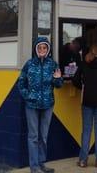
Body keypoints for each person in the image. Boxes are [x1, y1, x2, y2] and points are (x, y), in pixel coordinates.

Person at [18, 37, 63, 173]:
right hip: (32, 106)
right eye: (39, 48)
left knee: (43, 136)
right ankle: (34, 167)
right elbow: (21, 83)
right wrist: (28, 96)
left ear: (48, 49)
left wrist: (57, 79)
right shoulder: (29, 64)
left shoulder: (52, 65)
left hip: (48, 105)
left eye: (44, 48)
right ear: (36, 49)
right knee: (33, 137)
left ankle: (42, 163)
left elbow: (59, 85)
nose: (42, 50)